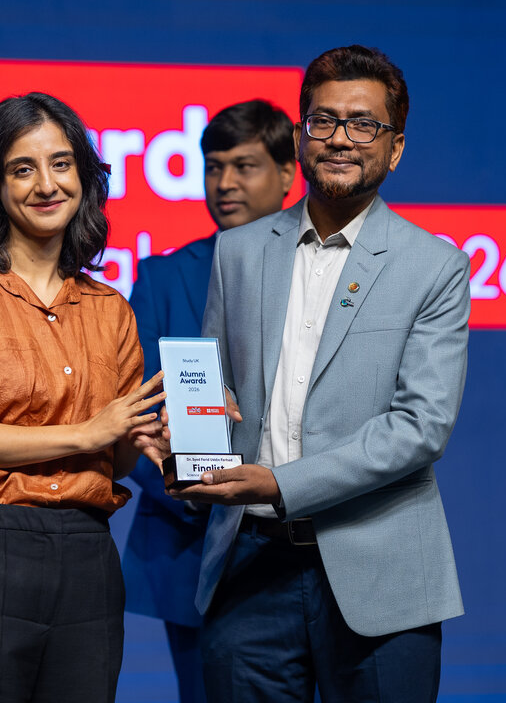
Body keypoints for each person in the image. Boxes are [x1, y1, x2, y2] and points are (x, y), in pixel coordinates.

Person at [157, 45, 471, 702]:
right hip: (248, 567)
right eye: (322, 121)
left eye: (364, 124)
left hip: (380, 573)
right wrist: (188, 437)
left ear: (396, 148)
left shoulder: (433, 266)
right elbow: (216, 394)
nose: (339, 139)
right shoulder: (237, 253)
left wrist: (280, 483)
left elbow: (420, 428)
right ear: (301, 136)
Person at [0, 92, 167, 703]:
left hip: (88, 559)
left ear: (84, 179)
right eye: (24, 168)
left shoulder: (110, 310)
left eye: (62, 164)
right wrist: (86, 433)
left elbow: (114, 463)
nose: (47, 184)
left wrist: (150, 434)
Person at [121, 100, 296, 703]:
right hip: (194, 543)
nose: (224, 183)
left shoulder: (328, 272)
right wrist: (188, 488)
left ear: (287, 174)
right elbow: (133, 413)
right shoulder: (165, 279)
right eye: (213, 167)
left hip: (308, 542)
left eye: (244, 166)